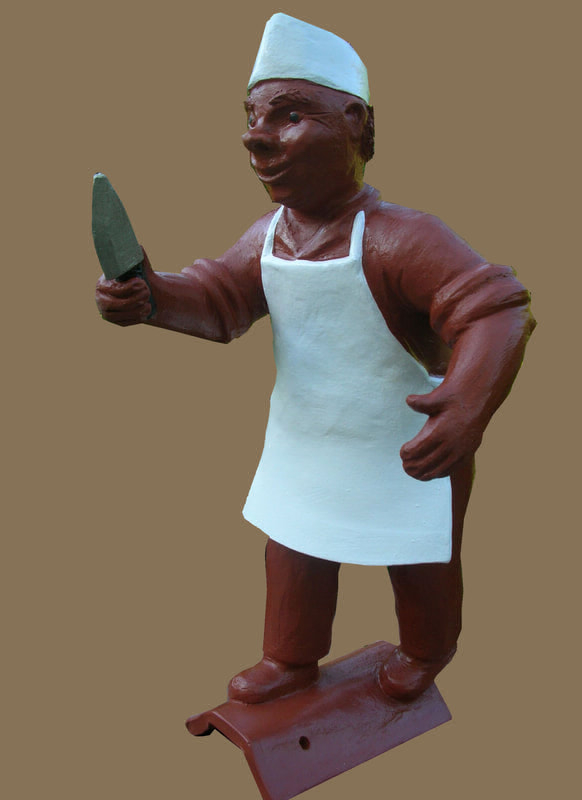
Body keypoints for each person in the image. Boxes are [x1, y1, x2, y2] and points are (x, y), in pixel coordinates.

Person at [96, 14, 535, 704]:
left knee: (416, 551)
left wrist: (467, 404)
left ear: (355, 125)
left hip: (407, 442)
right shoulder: (268, 236)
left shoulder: (403, 238)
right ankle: (290, 658)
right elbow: (219, 299)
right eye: (252, 118)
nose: (256, 136)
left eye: (290, 116)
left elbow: (496, 309)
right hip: (305, 438)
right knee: (294, 545)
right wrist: (152, 296)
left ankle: (428, 647)